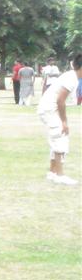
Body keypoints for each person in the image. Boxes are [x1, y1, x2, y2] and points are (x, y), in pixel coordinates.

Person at [37, 54, 82, 185]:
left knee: (57, 138)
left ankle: (53, 172)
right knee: (60, 137)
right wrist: (64, 122)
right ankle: (60, 175)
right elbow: (60, 101)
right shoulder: (71, 78)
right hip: (50, 109)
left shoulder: (72, 77)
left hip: (48, 108)